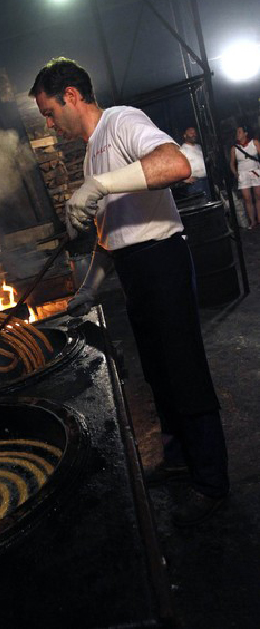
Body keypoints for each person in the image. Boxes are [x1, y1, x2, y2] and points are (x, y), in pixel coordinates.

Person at [29, 57, 229, 527]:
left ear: (72, 96)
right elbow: (108, 236)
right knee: (158, 374)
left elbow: (176, 164)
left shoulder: (121, 121)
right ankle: (180, 459)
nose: (50, 123)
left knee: (184, 370)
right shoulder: (89, 154)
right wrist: (88, 289)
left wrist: (98, 184)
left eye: (50, 112)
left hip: (162, 259)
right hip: (135, 270)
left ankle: (212, 481)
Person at [229, 125, 260, 229]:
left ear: (245, 133)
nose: (237, 134)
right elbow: (232, 163)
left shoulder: (254, 143)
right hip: (242, 174)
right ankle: (252, 221)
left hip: (255, 171)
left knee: (258, 196)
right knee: (247, 198)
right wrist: (235, 173)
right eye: (237, 132)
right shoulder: (234, 147)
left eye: (239, 132)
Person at [179, 126, 211, 200]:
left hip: (206, 180)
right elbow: (178, 168)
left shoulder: (199, 147)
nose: (194, 135)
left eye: (194, 133)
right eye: (191, 133)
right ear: (185, 135)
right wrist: (185, 180)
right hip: (195, 184)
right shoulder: (182, 150)